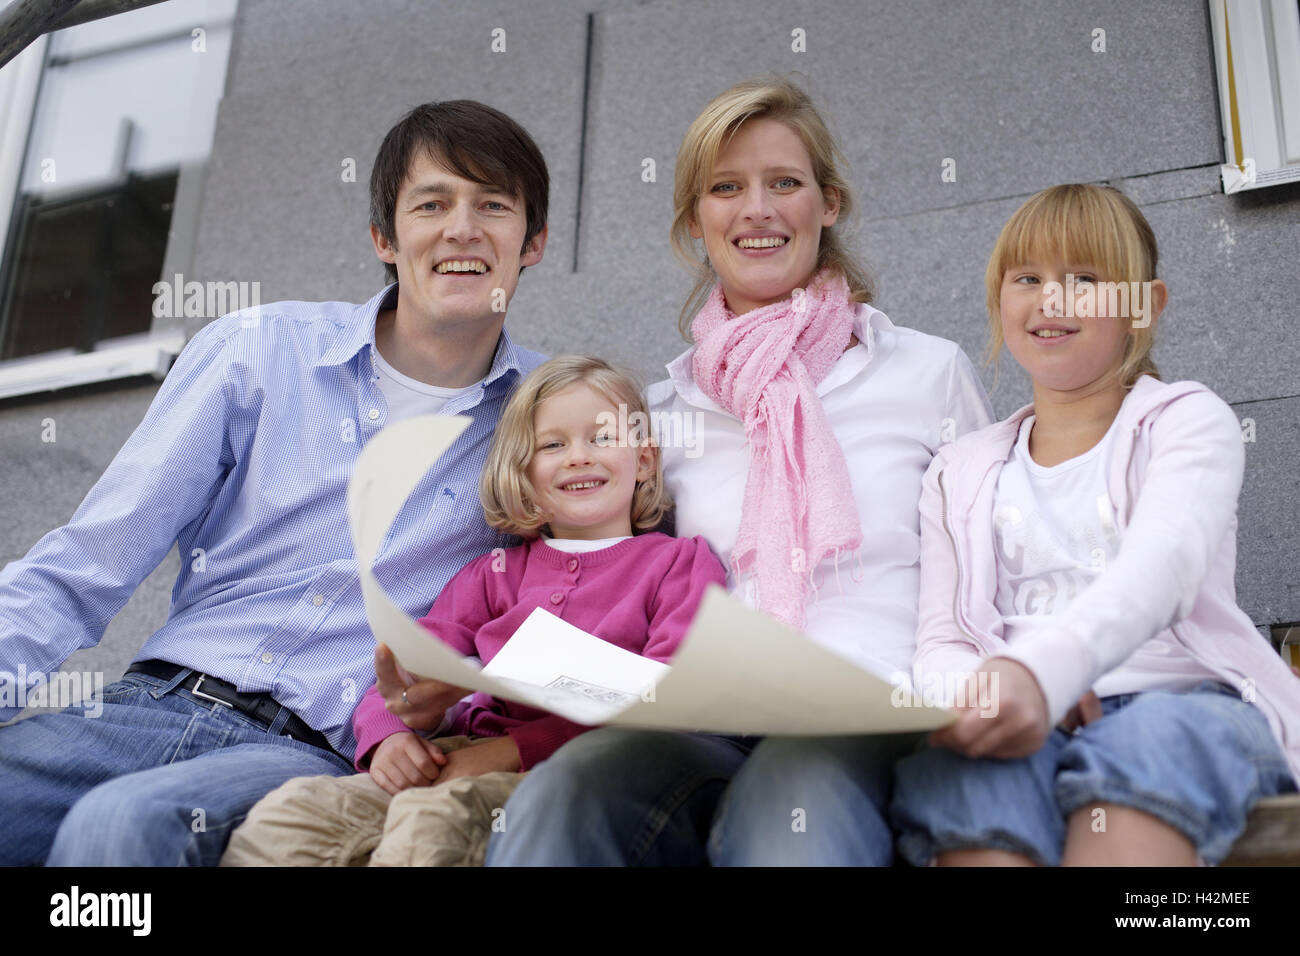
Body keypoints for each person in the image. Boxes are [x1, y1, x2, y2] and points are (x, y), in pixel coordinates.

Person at [0, 99, 551, 866]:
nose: (462, 227)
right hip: (143, 705)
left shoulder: (545, 423)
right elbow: (85, 564)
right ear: (384, 239)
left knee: (123, 825)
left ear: (534, 242)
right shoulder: (258, 352)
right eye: (432, 204)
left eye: (492, 205)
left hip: (311, 751)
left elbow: (587, 599)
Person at [485, 76, 994, 866]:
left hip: (867, 715)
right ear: (696, 220)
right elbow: (614, 581)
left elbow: (994, 556)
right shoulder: (658, 411)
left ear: (829, 203)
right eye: (726, 188)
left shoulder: (925, 373)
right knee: (567, 792)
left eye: (783, 183)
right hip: (705, 723)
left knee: (792, 793)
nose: (756, 209)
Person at [888, 183, 1300, 866]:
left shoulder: (1186, 423)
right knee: (961, 774)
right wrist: (994, 695)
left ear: (1145, 305)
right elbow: (941, 637)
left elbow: (1162, 570)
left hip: (1182, 700)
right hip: (1022, 712)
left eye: (1084, 279)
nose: (1052, 299)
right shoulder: (957, 471)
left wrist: (1044, 670)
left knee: (1150, 744)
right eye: (1028, 279)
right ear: (999, 301)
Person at [219, 355, 726, 866]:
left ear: (643, 460)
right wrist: (389, 737)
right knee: (288, 817)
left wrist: (513, 751)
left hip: (561, 778)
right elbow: (405, 673)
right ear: (523, 475)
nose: (579, 457)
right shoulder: (494, 573)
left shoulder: (677, 563)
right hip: (451, 756)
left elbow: (665, 698)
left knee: (430, 826)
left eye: (602, 438)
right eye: (552, 445)